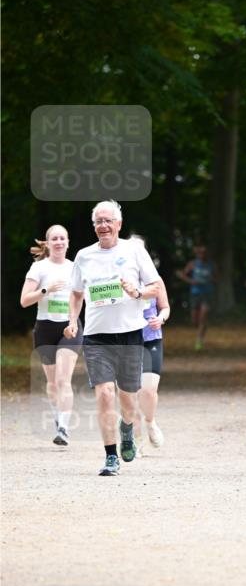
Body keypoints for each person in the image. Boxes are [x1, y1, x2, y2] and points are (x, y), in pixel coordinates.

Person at [64, 200, 160, 476]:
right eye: (98, 222)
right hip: (96, 335)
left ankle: (127, 428)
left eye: (108, 221)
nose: (103, 226)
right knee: (105, 394)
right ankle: (109, 456)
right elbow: (76, 292)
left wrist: (138, 292)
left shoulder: (134, 251)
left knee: (128, 399)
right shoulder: (83, 256)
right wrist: (73, 320)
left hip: (130, 333)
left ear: (119, 224)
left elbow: (155, 286)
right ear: (93, 226)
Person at [20, 224, 82, 446]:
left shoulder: (75, 267)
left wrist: (74, 321)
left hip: (69, 327)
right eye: (54, 238)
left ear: (68, 242)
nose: (59, 242)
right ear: (48, 243)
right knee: (52, 383)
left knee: (63, 379)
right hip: (45, 328)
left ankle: (64, 428)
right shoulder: (39, 268)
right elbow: (24, 301)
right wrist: (46, 290)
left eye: (62, 238)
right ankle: (58, 416)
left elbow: (82, 297)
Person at [129, 235, 170, 453]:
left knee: (149, 390)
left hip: (151, 337)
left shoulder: (155, 280)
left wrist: (160, 318)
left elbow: (165, 307)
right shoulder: (122, 280)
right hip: (127, 340)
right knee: (131, 392)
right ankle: (136, 440)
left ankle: (150, 422)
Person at [177, 245, 216, 351]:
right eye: (200, 253)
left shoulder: (211, 265)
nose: (202, 255)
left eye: (204, 253)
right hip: (195, 293)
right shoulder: (192, 264)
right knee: (195, 319)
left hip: (207, 293)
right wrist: (191, 281)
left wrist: (212, 279)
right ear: (198, 254)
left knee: (203, 315)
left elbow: (216, 277)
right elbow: (182, 274)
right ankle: (201, 328)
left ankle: (199, 340)